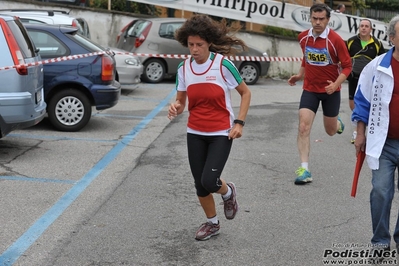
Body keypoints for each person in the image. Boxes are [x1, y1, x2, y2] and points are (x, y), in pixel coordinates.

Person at [167, 14, 251, 241]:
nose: (194, 50)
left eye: (199, 45)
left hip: (221, 133)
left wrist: (239, 123)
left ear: (209, 43)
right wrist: (175, 106)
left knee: (209, 181)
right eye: (191, 45)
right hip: (194, 131)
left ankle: (228, 191)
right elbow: (181, 102)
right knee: (199, 184)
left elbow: (245, 93)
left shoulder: (223, 65)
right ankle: (212, 223)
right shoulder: (184, 68)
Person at [287, 3, 352, 185]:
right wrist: (300, 75)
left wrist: (336, 84)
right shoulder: (303, 38)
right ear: (310, 18)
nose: (317, 22)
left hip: (331, 90)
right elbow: (306, 57)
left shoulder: (336, 40)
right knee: (303, 127)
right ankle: (305, 169)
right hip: (310, 89)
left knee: (330, 131)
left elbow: (347, 66)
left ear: (328, 20)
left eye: (321, 19)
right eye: (314, 18)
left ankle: (336, 122)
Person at [352, 14, 399, 259]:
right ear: (392, 38)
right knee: (380, 191)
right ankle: (380, 242)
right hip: (384, 143)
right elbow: (361, 102)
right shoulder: (377, 66)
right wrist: (359, 134)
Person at [346, 19, 385, 144]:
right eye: (361, 26)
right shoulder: (351, 42)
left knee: (369, 104)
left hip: (370, 80)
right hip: (354, 77)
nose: (363, 28)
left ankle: (364, 131)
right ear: (359, 28)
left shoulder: (377, 43)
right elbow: (344, 59)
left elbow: (382, 61)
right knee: (353, 105)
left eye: (366, 26)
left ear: (370, 29)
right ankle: (358, 129)